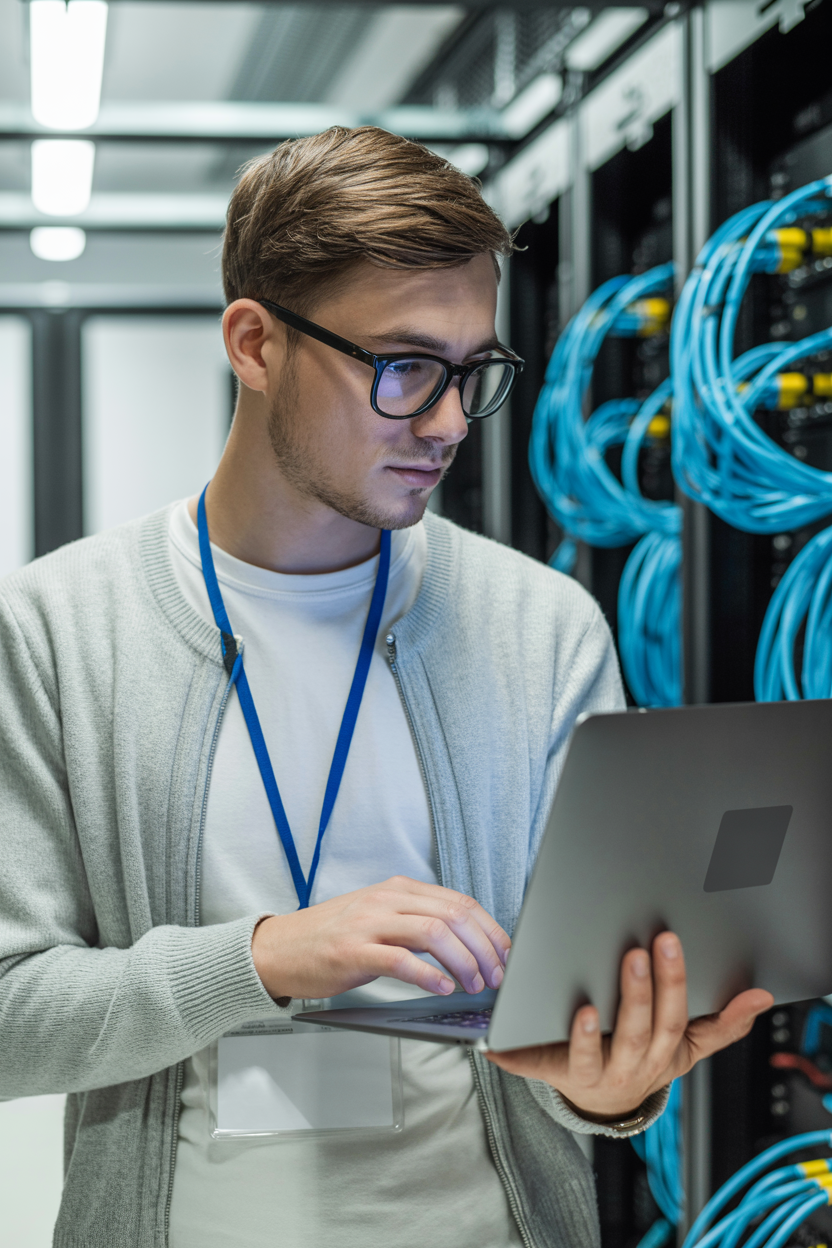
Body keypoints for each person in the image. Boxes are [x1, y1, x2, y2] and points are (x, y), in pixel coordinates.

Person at [0, 126, 771, 1248]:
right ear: (255, 344)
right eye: (405, 367)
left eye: (474, 373)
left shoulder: (540, 626)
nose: (450, 421)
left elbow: (569, 1029)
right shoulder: (61, 628)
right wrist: (260, 960)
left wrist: (610, 1086)